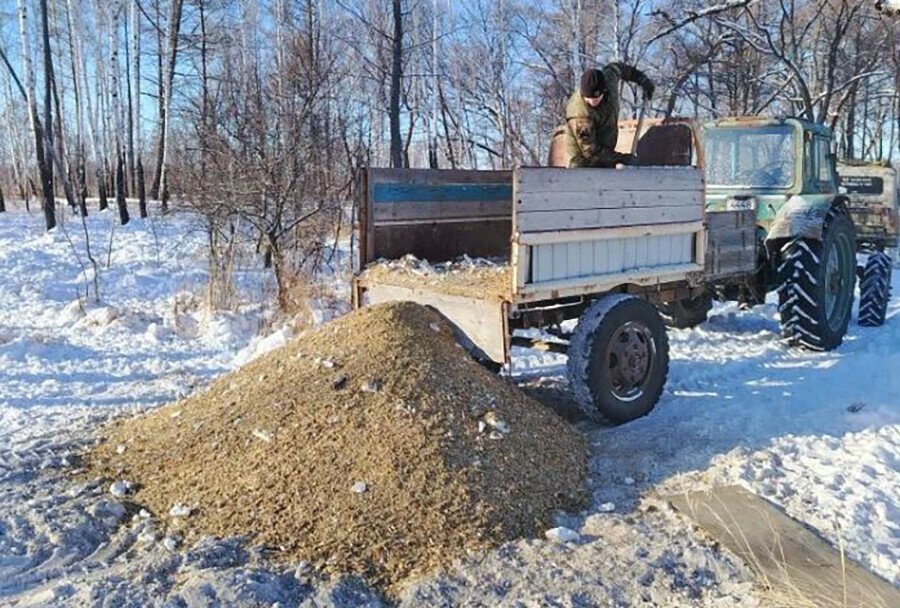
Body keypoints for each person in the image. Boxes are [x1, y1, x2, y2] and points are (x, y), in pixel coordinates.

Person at [563, 64, 655, 168]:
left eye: (596, 98)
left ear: (604, 91)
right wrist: (620, 158)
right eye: (588, 98)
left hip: (606, 142)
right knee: (581, 164)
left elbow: (617, 68)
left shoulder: (609, 81)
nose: (592, 102)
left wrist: (641, 78)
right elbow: (590, 151)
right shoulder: (580, 114)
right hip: (585, 155)